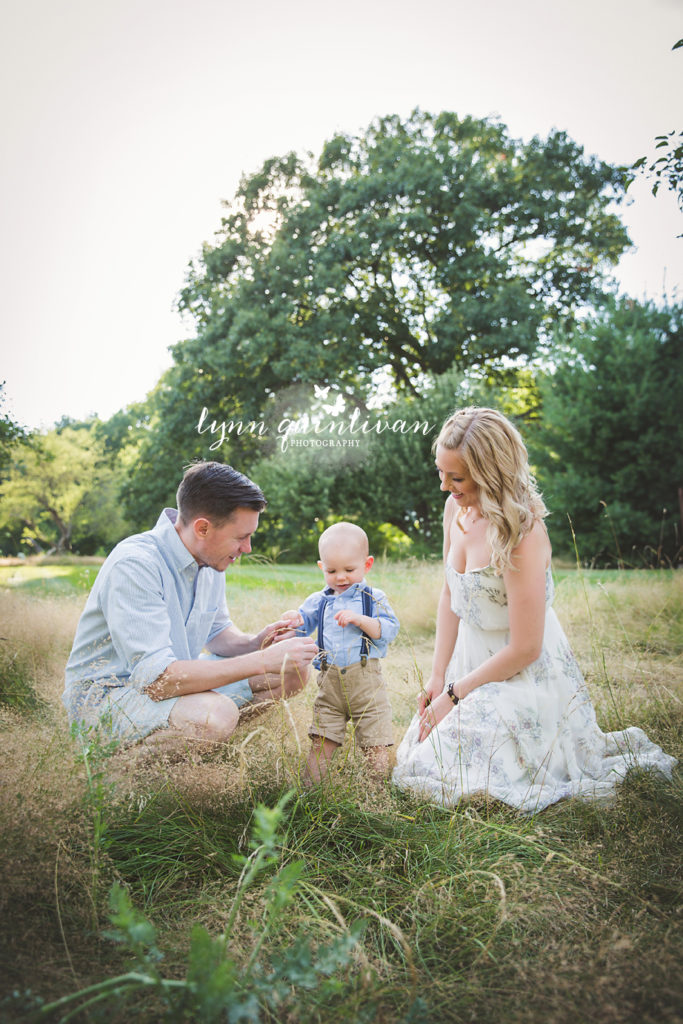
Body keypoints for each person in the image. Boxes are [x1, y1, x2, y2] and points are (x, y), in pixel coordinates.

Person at [392, 407, 676, 813]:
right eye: (441, 473)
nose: (444, 487)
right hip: (471, 665)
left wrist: (455, 697)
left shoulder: (521, 532)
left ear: (491, 473)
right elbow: (448, 595)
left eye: (456, 478)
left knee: (462, 764)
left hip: (524, 677)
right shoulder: (456, 510)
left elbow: (526, 648)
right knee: (424, 760)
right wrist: (439, 680)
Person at [63, 462, 318, 746]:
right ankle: (115, 774)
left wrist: (259, 642)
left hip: (167, 686)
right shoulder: (136, 565)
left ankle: (205, 745)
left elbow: (218, 634)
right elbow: (158, 681)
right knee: (215, 716)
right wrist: (261, 660)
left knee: (291, 674)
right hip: (108, 698)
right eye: (241, 537)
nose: (248, 548)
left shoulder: (210, 559)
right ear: (203, 528)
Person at [281, 522, 400, 783]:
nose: (341, 577)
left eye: (349, 569)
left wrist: (360, 620)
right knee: (322, 741)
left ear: (367, 565)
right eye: (332, 571)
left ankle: (376, 792)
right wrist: (294, 619)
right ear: (322, 567)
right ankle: (309, 792)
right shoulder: (319, 601)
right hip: (330, 684)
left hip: (366, 685)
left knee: (375, 742)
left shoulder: (373, 597)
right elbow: (303, 625)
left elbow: (390, 630)